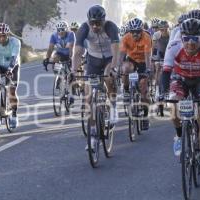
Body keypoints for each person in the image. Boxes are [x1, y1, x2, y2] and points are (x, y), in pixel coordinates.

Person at [160, 18, 200, 174]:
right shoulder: (173, 46)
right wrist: (162, 92)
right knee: (173, 107)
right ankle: (179, 136)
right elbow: (165, 72)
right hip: (181, 78)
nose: (190, 43)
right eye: (186, 38)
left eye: (195, 39)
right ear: (181, 38)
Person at [71, 5, 119, 148]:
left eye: (98, 23)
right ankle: (93, 134)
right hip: (93, 59)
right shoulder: (84, 28)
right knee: (88, 96)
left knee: (108, 78)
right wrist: (73, 70)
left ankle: (114, 107)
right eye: (92, 23)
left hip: (110, 59)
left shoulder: (111, 27)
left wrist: (114, 67)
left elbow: (116, 51)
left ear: (104, 20)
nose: (95, 26)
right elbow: (78, 52)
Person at [118, 17, 152, 130]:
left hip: (143, 62)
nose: (135, 34)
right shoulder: (126, 38)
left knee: (143, 88)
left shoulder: (147, 38)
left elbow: (148, 56)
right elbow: (122, 54)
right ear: (130, 31)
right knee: (126, 68)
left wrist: (148, 69)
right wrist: (118, 67)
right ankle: (127, 90)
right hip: (132, 59)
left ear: (141, 31)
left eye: (137, 32)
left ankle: (145, 116)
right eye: (133, 32)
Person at [43, 20, 76, 105]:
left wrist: (71, 59)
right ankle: (58, 76)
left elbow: (71, 48)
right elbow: (50, 48)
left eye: (62, 30)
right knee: (55, 58)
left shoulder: (71, 34)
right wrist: (47, 58)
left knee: (71, 74)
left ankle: (71, 95)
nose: (60, 32)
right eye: (59, 30)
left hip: (70, 53)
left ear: (66, 29)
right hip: (60, 53)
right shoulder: (54, 36)